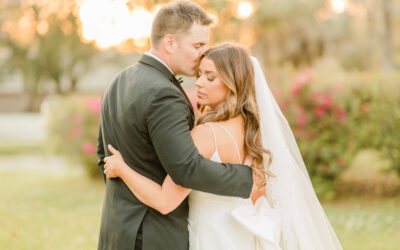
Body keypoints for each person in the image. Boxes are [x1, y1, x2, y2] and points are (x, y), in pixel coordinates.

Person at [104, 43, 343, 250]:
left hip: (210, 237)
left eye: (210, 77)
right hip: (242, 238)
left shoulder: (206, 134)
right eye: (199, 75)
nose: (199, 83)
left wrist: (121, 168)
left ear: (233, 83)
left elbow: (165, 202)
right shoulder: (257, 132)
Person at [96, 2, 255, 250]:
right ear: (170, 43)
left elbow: (102, 156)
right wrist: (246, 177)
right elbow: (187, 168)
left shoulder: (119, 80)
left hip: (115, 231)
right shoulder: (164, 94)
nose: (202, 53)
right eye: (197, 46)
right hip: (154, 235)